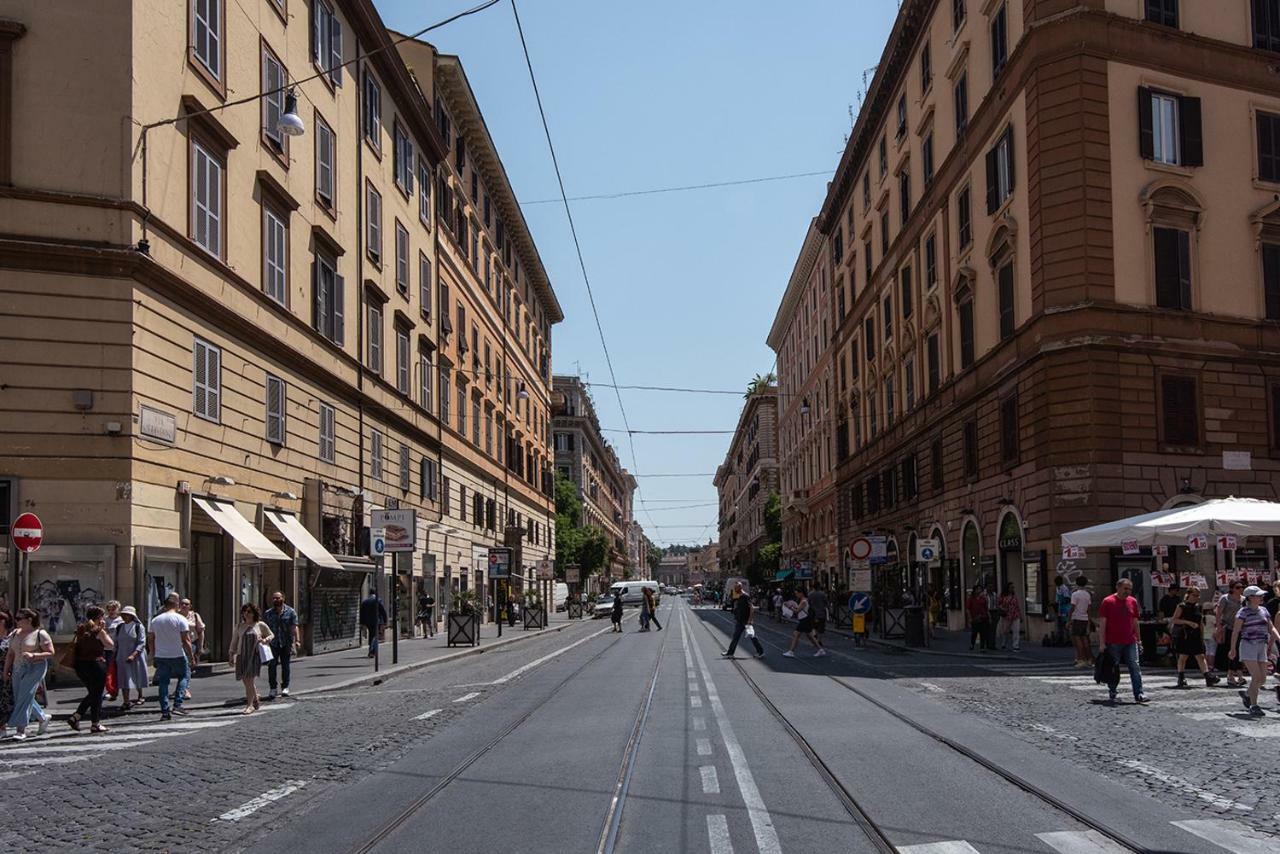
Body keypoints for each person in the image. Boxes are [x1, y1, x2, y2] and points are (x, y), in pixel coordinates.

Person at [3, 609, 54, 740]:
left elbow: (50, 653)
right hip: (18, 667)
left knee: (24, 695)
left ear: (29, 619)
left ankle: (21, 729)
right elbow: (10, 654)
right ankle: (42, 717)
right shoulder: (15, 633)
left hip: (35, 667)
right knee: (22, 696)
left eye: (19, 618)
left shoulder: (40, 634)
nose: (16, 621)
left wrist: (34, 655)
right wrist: (6, 671)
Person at [1228, 585, 1279, 717]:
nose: (1262, 597)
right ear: (1250, 598)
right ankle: (1254, 705)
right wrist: (1233, 648)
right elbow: (1236, 631)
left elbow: (1271, 627)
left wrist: (1278, 638)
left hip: (1261, 645)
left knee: (1262, 679)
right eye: (1259, 595)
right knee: (1256, 677)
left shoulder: (1264, 610)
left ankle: (1247, 694)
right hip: (1248, 645)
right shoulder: (1243, 612)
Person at [1098, 578, 1147, 704]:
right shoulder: (1108, 601)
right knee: (1113, 667)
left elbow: (1135, 622)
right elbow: (1103, 623)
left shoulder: (1133, 602)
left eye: (1130, 589)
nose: (1128, 591)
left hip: (1130, 640)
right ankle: (1112, 689)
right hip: (1113, 641)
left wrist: (1139, 640)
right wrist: (1102, 642)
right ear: (1118, 587)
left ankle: (1139, 693)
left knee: (1135, 666)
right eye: (1125, 588)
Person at [67, 605, 114, 733]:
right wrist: (103, 630)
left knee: (93, 693)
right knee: (96, 694)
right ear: (99, 617)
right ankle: (93, 723)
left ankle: (78, 717)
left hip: (81, 665)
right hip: (96, 665)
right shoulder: (98, 630)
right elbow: (110, 644)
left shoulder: (82, 628)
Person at [148, 593, 194, 720]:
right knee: (184, 676)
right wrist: (191, 656)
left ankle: (164, 711)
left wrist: (153, 655)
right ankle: (177, 704)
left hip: (161, 655)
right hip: (177, 654)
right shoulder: (180, 619)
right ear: (177, 605)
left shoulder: (155, 620)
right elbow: (186, 640)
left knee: (163, 682)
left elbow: (151, 639)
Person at [228, 603, 273, 714]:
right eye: (245, 612)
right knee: (246, 680)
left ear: (254, 613)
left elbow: (271, 635)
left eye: (249, 612)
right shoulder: (239, 626)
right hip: (241, 655)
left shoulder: (260, 625)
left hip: (254, 656)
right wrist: (231, 654)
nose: (246, 614)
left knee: (249, 680)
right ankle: (255, 698)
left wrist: (264, 640)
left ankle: (250, 705)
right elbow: (234, 642)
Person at [1170, 587, 1218, 688]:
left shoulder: (1198, 607)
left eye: (1198, 595)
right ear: (1189, 595)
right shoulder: (1181, 606)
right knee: (1183, 656)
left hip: (1195, 635)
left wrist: (1202, 635)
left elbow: (1200, 622)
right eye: (1195, 595)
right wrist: (1188, 623)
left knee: (1200, 655)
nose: (1197, 597)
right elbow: (1174, 620)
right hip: (1185, 634)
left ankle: (1207, 676)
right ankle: (1181, 677)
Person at [263, 591, 299, 700]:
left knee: (285, 666)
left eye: (278, 598)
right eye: (274, 598)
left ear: (283, 598)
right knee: (272, 666)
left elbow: (294, 626)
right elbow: (264, 628)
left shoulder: (290, 612)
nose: (276, 600)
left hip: (286, 642)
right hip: (273, 644)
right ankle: (273, 688)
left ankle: (285, 687)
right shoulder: (268, 613)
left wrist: (297, 640)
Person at [113, 605, 148, 709]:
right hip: (122, 656)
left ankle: (140, 695)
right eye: (123, 615)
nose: (124, 617)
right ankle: (126, 701)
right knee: (124, 678)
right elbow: (116, 642)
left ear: (132, 616)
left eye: (127, 615)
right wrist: (114, 655)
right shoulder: (119, 627)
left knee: (137, 676)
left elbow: (142, 642)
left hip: (136, 656)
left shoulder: (138, 627)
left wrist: (134, 654)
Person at [1214, 582, 1246, 687]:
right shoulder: (1225, 598)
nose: (1240, 589)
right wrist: (1218, 627)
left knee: (1239, 651)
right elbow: (1218, 613)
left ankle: (1232, 674)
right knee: (1232, 651)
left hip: (1241, 628)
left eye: (1242, 587)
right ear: (1232, 588)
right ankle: (1237, 675)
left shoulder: (1243, 599)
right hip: (1228, 628)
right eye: (1238, 587)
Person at [722, 581, 765, 659]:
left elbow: (751, 608)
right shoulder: (740, 596)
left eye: (736, 588)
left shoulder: (745, 596)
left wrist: (749, 620)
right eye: (734, 588)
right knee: (735, 636)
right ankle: (730, 653)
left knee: (752, 636)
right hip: (740, 620)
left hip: (746, 621)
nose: (734, 589)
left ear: (740, 588)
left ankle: (760, 652)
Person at [782, 590, 826, 658]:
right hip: (806, 619)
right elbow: (799, 609)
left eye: (797, 593)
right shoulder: (804, 600)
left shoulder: (803, 601)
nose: (796, 595)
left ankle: (791, 652)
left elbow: (797, 611)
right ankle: (820, 650)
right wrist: (793, 606)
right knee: (810, 636)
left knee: (796, 634)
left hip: (804, 620)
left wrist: (789, 607)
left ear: (801, 593)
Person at [1070, 577, 1093, 667]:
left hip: (1077, 618)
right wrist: (1089, 620)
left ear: (1076, 583)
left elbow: (1072, 607)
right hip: (1085, 618)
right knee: (1085, 640)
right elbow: (1089, 608)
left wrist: (1069, 619)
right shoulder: (1087, 594)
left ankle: (1081, 659)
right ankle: (1089, 659)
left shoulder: (1075, 594)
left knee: (1077, 639)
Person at [103, 600, 122, 701]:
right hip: (107, 649)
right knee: (109, 671)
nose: (111, 611)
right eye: (109, 609)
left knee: (117, 670)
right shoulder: (105, 620)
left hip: (118, 649)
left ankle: (116, 690)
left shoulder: (121, 620)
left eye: (113, 609)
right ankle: (111, 690)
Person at [359, 590, 387, 658]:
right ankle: (372, 651)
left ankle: (371, 650)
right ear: (375, 593)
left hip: (368, 622)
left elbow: (361, 613)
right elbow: (383, 611)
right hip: (376, 621)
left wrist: (362, 623)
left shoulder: (365, 602)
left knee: (371, 635)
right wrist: (385, 621)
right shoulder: (377, 600)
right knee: (375, 636)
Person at [996, 583, 1022, 652]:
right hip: (1006, 615)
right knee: (1005, 631)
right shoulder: (1003, 596)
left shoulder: (1014, 596)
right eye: (1011, 587)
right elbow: (998, 604)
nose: (1012, 589)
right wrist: (1003, 608)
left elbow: (1017, 605)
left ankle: (1016, 645)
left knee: (1016, 630)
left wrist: (1020, 615)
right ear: (1007, 588)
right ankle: (1004, 643)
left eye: (1013, 587)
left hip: (1015, 615)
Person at [966, 585, 990, 652]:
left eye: (980, 589)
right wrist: (970, 618)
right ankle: (972, 644)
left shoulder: (983, 598)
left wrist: (988, 616)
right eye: (978, 589)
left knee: (983, 633)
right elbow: (968, 609)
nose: (979, 590)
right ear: (975, 590)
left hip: (983, 617)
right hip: (975, 618)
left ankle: (982, 647)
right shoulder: (971, 598)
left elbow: (986, 608)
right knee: (974, 632)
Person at [1054, 576, 1072, 645]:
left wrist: (1061, 601)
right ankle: (1061, 638)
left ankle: (1068, 639)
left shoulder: (1064, 588)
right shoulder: (1057, 588)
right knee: (1060, 625)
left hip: (1065, 608)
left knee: (1065, 624)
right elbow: (1057, 598)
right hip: (1060, 609)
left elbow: (1068, 598)